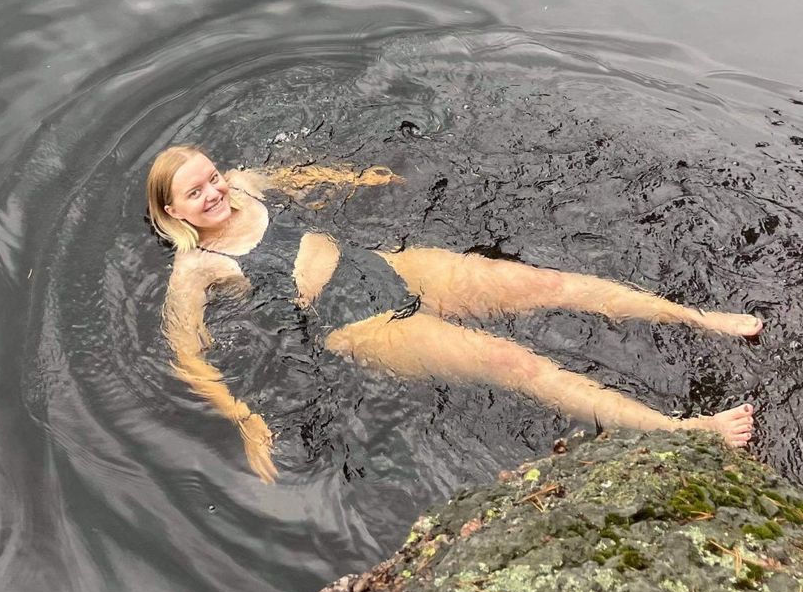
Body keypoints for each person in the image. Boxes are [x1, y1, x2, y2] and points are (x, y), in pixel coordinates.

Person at [147, 144, 762, 482]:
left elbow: (307, 176)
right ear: (173, 213)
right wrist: (245, 418)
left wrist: (366, 178)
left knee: (543, 284)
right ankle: (684, 433)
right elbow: (188, 357)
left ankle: (695, 317)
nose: (213, 194)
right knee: (510, 362)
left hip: (388, 265)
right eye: (194, 194)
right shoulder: (196, 269)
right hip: (357, 325)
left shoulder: (249, 182)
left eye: (211, 178)